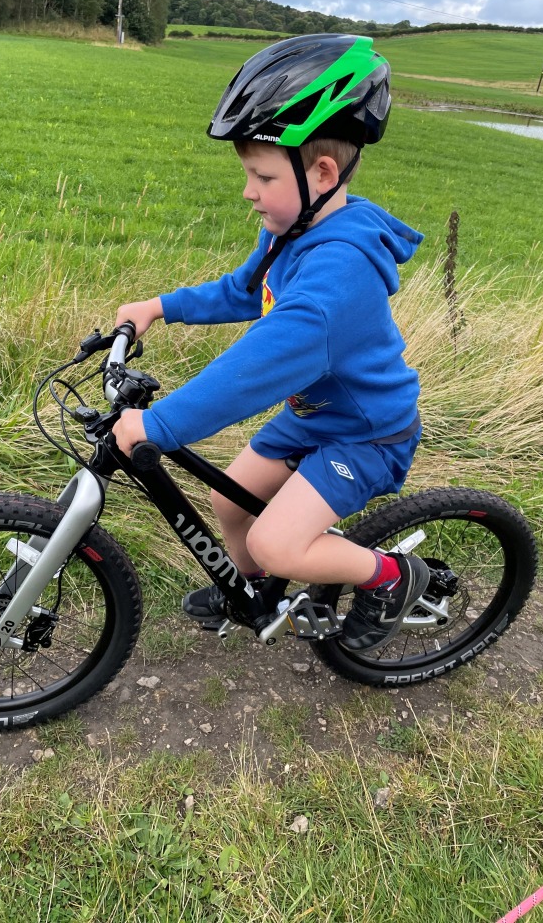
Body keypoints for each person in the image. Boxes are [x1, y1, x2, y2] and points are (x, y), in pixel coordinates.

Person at [112, 33, 428, 653]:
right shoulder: (292, 230)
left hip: (366, 434)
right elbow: (244, 291)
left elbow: (262, 364)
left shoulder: (339, 276)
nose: (248, 191)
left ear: (322, 173)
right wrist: (160, 307)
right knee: (229, 502)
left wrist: (163, 423)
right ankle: (254, 594)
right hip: (313, 418)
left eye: (260, 175)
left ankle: (391, 576)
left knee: (275, 541)